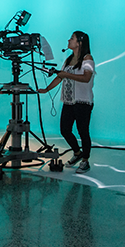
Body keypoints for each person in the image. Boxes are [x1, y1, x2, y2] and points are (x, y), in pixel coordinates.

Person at [38, 31, 95, 173]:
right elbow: (60, 77)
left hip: (83, 102)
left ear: (80, 42)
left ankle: (85, 160)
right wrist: (46, 89)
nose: (69, 40)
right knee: (65, 130)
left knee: (83, 132)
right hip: (68, 102)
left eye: (72, 38)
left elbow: (86, 77)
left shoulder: (88, 59)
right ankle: (77, 153)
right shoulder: (68, 59)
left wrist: (66, 74)